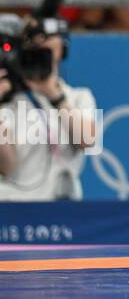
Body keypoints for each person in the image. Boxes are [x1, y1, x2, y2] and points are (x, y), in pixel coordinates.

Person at [0, 22, 97, 200]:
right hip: (13, 207)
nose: (41, 46)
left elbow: (87, 142)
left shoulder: (79, 97)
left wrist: (55, 97)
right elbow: (7, 167)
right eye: (34, 44)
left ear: (62, 49)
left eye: (48, 42)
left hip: (61, 208)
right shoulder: (8, 101)